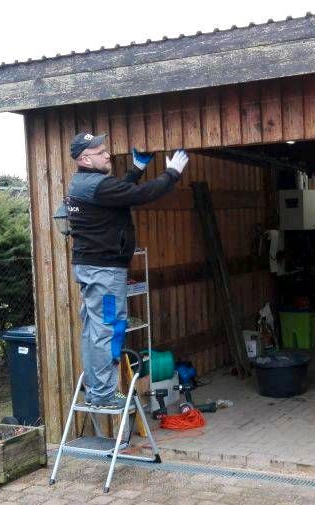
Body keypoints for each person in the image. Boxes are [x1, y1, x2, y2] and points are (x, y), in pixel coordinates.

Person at [65, 132, 188, 408]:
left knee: (95, 329)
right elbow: (140, 195)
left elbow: (118, 195)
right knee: (109, 328)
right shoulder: (95, 185)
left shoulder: (86, 184)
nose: (107, 154)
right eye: (100, 152)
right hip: (103, 271)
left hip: (95, 268)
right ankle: (103, 395)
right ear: (85, 158)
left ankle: (97, 389)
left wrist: (137, 170)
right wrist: (172, 173)